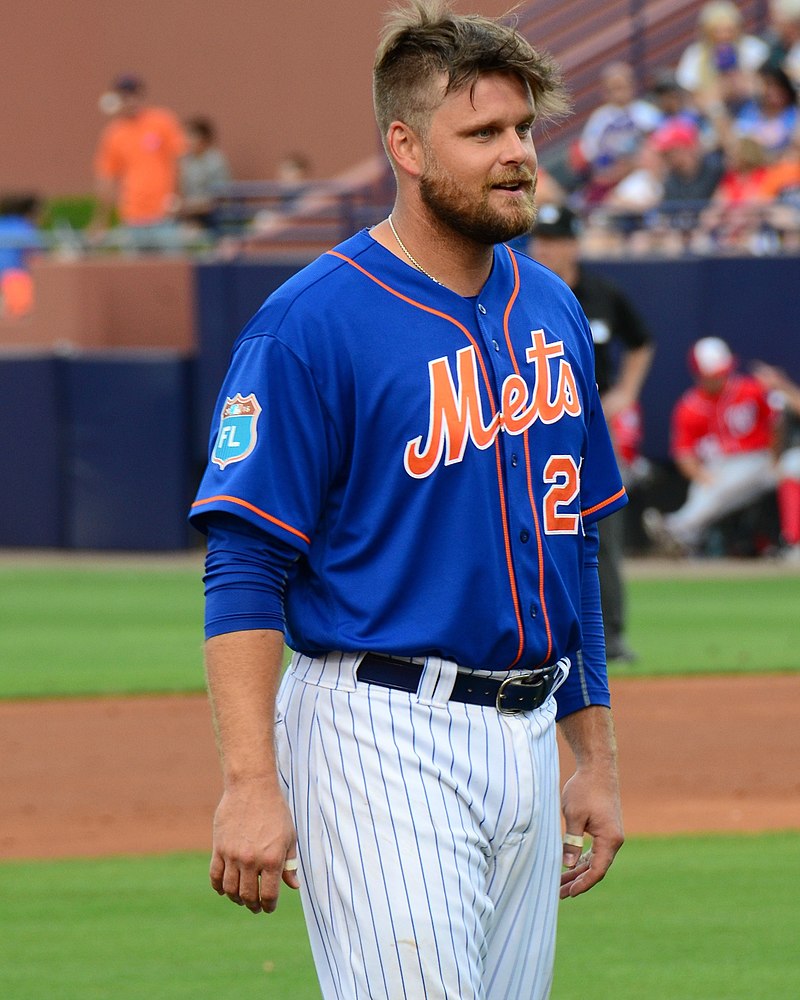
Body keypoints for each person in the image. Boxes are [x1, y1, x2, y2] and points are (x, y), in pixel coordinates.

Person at [189, 3, 626, 998]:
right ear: (405, 146)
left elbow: (574, 549)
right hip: (377, 731)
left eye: (522, 129)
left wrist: (590, 753)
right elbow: (245, 564)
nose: (516, 154)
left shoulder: (547, 304)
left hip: (524, 737)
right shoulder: (310, 322)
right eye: (482, 133)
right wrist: (251, 783)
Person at [530, 204, 654, 663]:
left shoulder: (601, 294)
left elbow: (642, 341)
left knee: (604, 532)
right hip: (537, 432)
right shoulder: (519, 293)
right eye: (539, 239)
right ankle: (543, 635)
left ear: (574, 244)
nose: (545, 248)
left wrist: (627, 391)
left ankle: (612, 636)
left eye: (554, 239)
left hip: (594, 428)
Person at [644, 337, 778, 556]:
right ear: (699, 375)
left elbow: (776, 422)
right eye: (713, 375)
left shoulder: (750, 389)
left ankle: (676, 527)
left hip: (759, 461)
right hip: (719, 467)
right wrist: (701, 475)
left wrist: (775, 458)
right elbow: (684, 455)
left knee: (721, 484)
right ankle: (685, 538)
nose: (721, 378)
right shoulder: (689, 406)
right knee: (707, 486)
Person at [92, 74, 186, 240]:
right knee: (138, 265)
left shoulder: (162, 121)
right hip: (133, 216)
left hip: (163, 213)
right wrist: (101, 220)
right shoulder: (114, 134)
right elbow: (107, 178)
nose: (130, 100)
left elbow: (179, 161)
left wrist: (177, 197)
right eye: (124, 96)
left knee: (169, 264)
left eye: (134, 94)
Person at [575, 61, 663, 205]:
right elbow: (589, 155)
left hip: (640, 177)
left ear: (632, 86)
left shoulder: (648, 114)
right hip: (607, 179)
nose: (618, 93)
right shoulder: (599, 118)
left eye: (622, 87)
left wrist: (629, 167)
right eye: (613, 88)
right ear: (605, 92)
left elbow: (657, 155)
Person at [752, 361, 800, 561]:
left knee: (790, 465)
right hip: (755, 461)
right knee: (788, 465)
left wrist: (781, 385)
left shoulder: (784, 395)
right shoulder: (751, 394)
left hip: (779, 460)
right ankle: (792, 542)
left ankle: (793, 542)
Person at [178, 116, 232, 230]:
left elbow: (219, 196)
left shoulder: (216, 161)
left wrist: (192, 207)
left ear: (204, 138)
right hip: (189, 215)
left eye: (191, 135)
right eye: (186, 135)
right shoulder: (186, 161)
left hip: (212, 216)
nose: (187, 140)